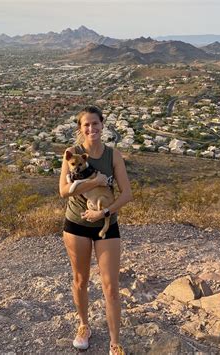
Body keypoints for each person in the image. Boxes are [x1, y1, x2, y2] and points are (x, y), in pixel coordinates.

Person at [59, 106, 133, 355]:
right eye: (86, 125)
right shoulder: (71, 154)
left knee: (111, 287)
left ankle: (115, 343)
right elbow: (63, 191)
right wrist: (96, 182)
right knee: (80, 280)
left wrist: (104, 213)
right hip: (76, 224)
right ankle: (83, 326)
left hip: (106, 222)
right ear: (80, 129)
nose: (91, 129)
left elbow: (127, 194)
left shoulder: (113, 156)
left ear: (103, 125)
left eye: (95, 124)